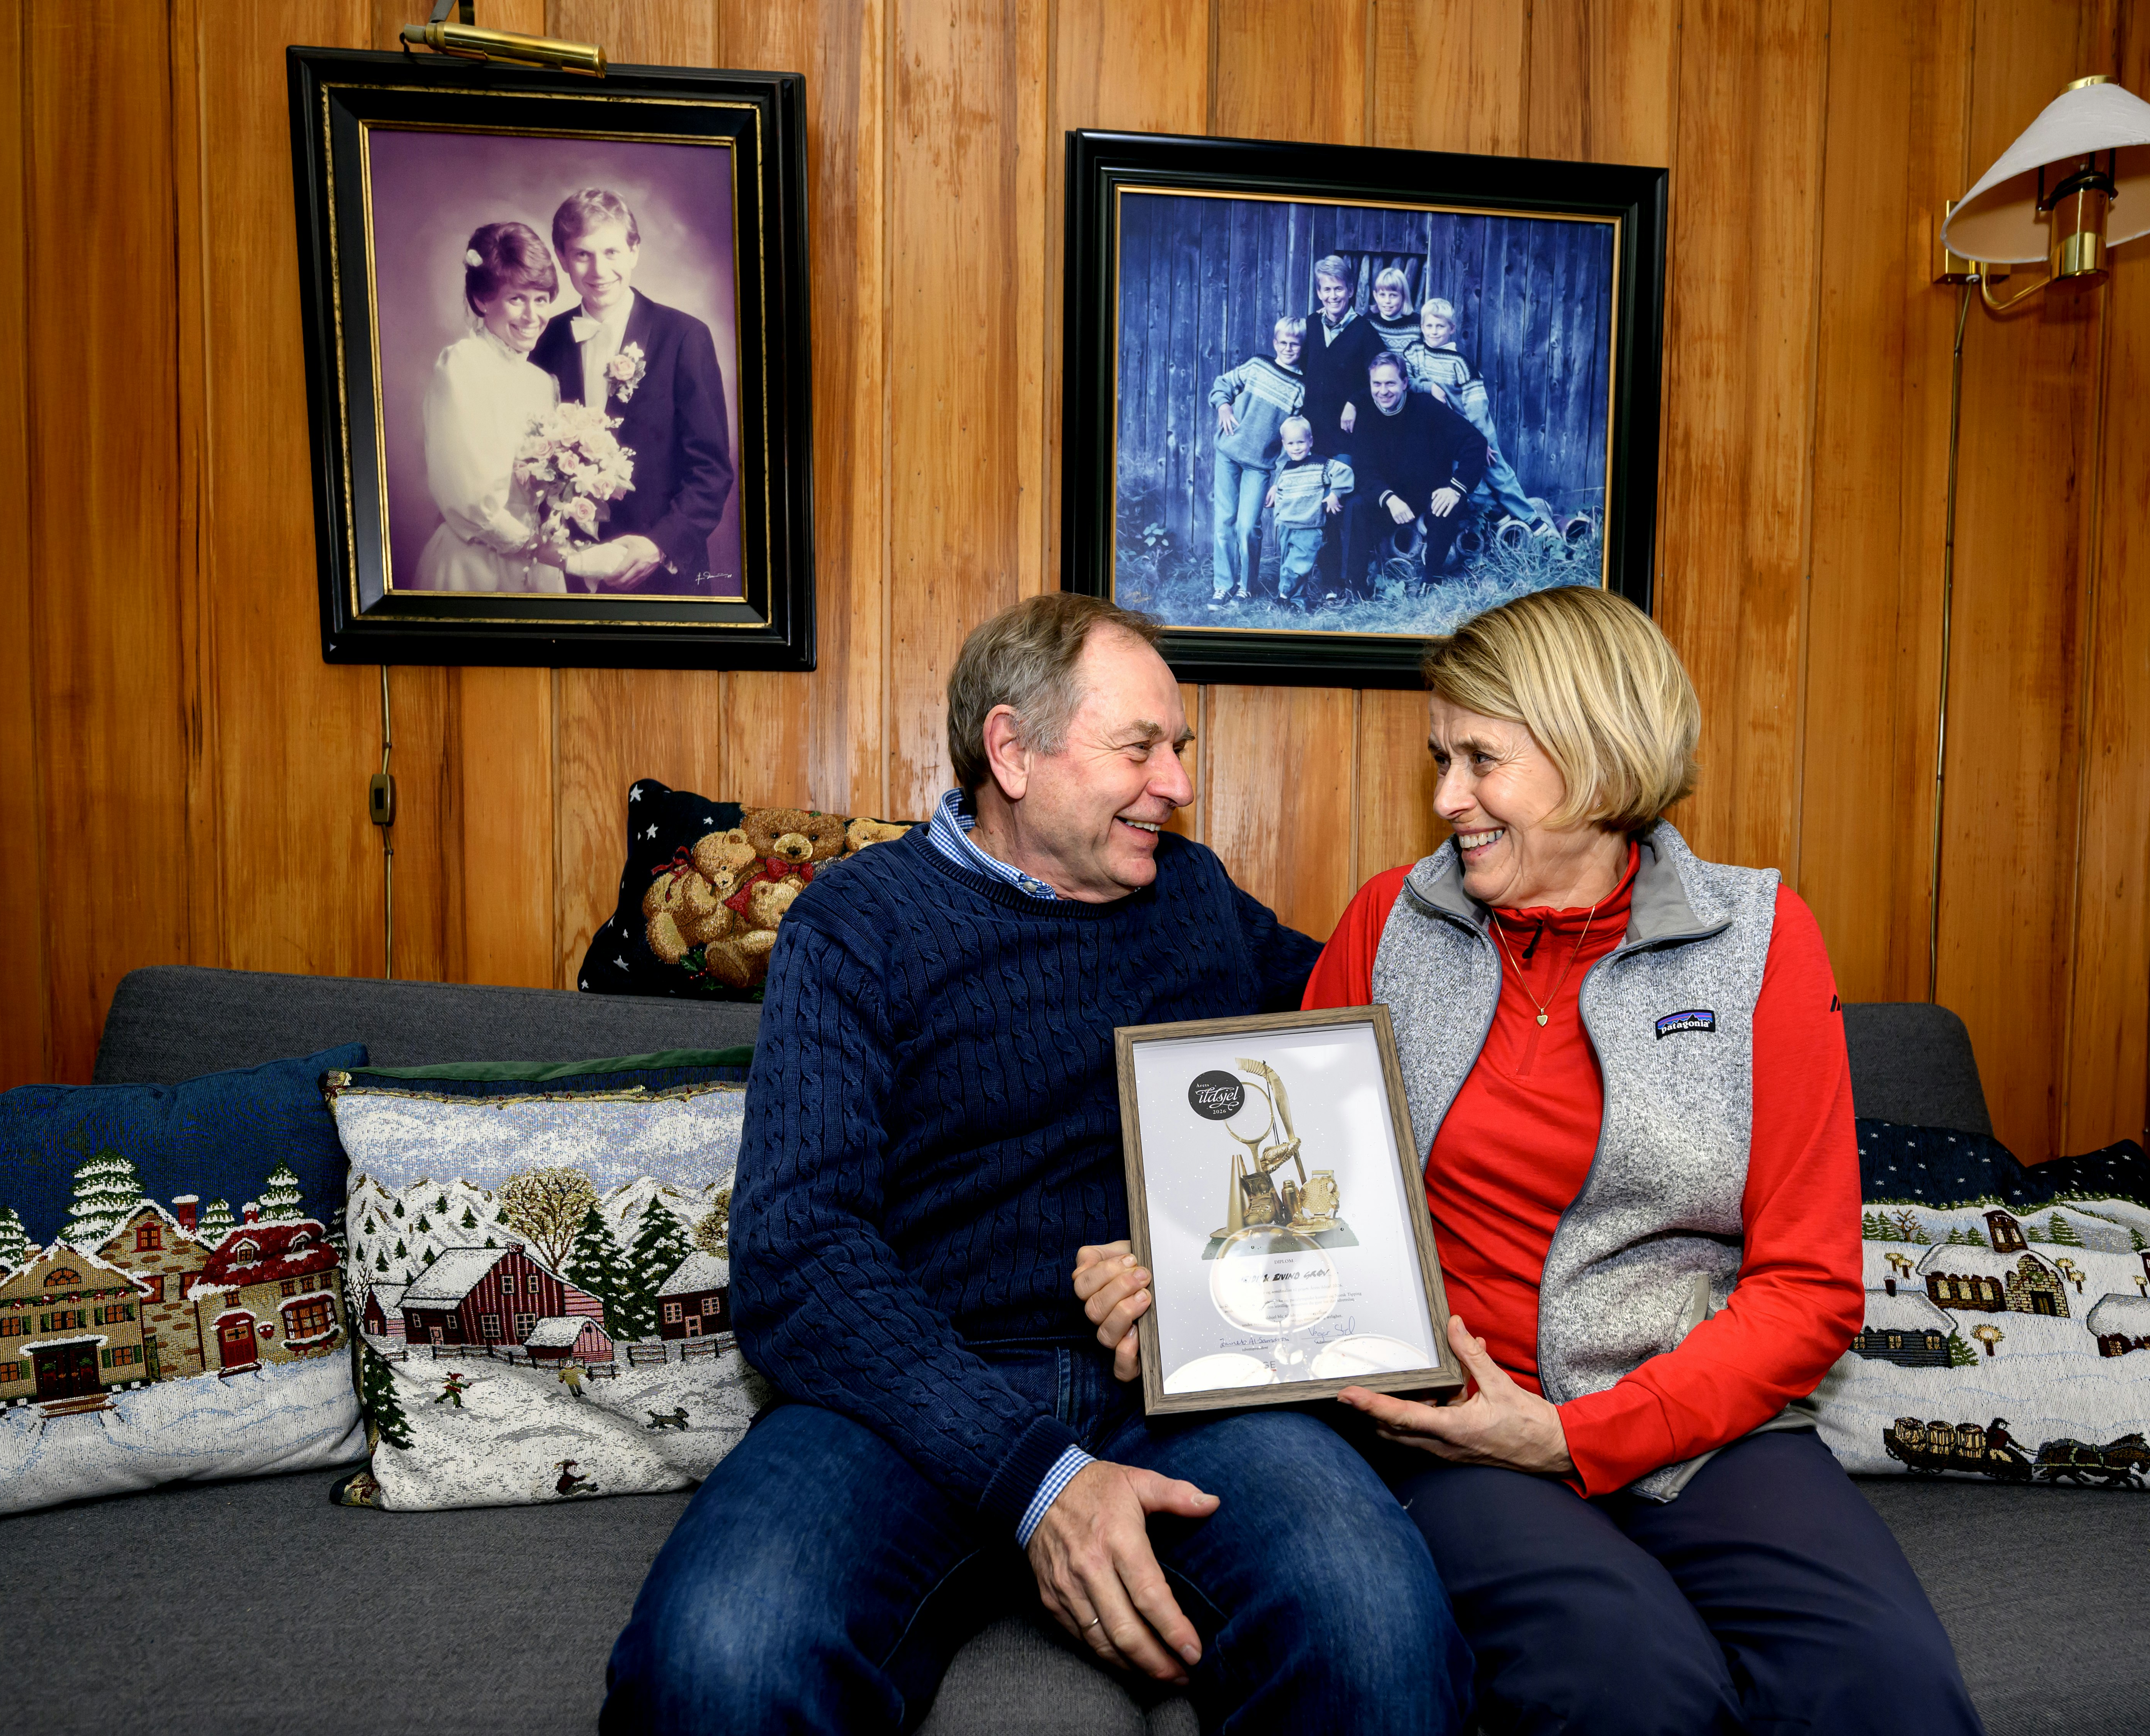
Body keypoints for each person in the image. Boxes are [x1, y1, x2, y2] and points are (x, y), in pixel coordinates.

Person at [601, 594, 1471, 1735]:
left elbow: (1369, 1031)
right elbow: (796, 1256)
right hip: (909, 1393)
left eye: (1181, 748)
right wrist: (1038, 1481)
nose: (1176, 782)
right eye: (1139, 749)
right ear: (1011, 751)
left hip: (1179, 1386)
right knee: (716, 1661)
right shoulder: (859, 925)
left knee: (1380, 1637)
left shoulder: (1196, 898)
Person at [1284, 586, 1980, 1734]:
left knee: (1886, 1682)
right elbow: (1305, 1202)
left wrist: (1578, 1434)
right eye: (1437, 757)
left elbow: (1808, 1286)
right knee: (1625, 1679)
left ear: (1595, 756)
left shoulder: (1756, 936)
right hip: (1457, 1421)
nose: (1445, 796)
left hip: (1699, 1415)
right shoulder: (1388, 926)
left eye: (1479, 759)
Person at [530, 188, 734, 593]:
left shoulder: (685, 337)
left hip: (664, 575)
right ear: (562, 258)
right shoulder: (545, 339)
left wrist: (659, 545)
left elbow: (711, 471)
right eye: (582, 254)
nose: (598, 270)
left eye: (611, 253)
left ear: (634, 251)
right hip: (569, 573)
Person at [412, 221, 566, 595]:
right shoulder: (463, 364)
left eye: (542, 299)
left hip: (538, 568)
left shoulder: (541, 382)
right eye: (517, 299)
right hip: (472, 565)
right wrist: (540, 548)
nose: (533, 317)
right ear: (483, 300)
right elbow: (470, 501)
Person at [1406, 297, 1558, 540]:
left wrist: (1482, 442)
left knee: (1498, 474)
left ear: (1452, 329)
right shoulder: (1414, 352)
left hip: (1473, 432)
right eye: (1429, 326)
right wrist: (1428, 387)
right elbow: (1408, 383)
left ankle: (1533, 518)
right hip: (1445, 437)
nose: (1434, 332)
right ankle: (1499, 515)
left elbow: (1478, 408)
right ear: (1422, 327)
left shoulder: (1461, 364)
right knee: (1469, 481)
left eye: (1440, 327)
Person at [1340, 352, 1488, 592]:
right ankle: (1355, 587)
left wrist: (1456, 488)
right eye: (1377, 384)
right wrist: (1389, 498)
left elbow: (1475, 443)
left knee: (1446, 501)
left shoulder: (1427, 407)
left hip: (1431, 494)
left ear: (1405, 383)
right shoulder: (1366, 417)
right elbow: (1365, 472)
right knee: (1355, 505)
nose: (1383, 391)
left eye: (1390, 383)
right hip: (1393, 501)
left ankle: (1431, 580)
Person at [1205, 316, 1309, 605]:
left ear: (1302, 347)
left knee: (1248, 525)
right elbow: (1222, 383)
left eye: (1295, 344)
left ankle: (1245, 586)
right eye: (1284, 343)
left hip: (1261, 464)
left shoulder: (1300, 388)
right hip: (1229, 452)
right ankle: (1223, 585)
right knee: (1224, 520)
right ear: (1275, 343)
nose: (1289, 348)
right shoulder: (1257, 365)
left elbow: (1293, 440)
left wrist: (1280, 481)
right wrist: (1224, 406)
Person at [1296, 252, 1384, 450]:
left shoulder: (1365, 331)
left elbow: (1381, 378)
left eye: (1339, 289)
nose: (1333, 296)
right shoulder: (1311, 324)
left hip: (1347, 434)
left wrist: (1354, 403)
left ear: (1351, 291)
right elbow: (1300, 367)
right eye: (1327, 290)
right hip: (1310, 433)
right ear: (1319, 293)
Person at [1261, 415, 1351, 608]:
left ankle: (1283, 595)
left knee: (1298, 566)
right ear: (1285, 445)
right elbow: (1282, 483)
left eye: (1301, 442)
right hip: (1286, 524)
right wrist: (1276, 489)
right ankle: (1297, 602)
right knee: (1288, 563)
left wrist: (1336, 493)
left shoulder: (1322, 464)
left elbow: (1344, 472)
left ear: (1310, 441)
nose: (1296, 447)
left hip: (1310, 525)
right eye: (1291, 443)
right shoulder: (1286, 467)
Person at [1365, 264, 1423, 357]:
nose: (1387, 301)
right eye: (1383, 295)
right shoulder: (1369, 321)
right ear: (1376, 296)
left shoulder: (1417, 324)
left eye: (1393, 295)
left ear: (1404, 296)